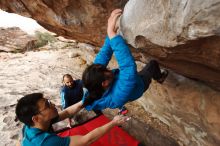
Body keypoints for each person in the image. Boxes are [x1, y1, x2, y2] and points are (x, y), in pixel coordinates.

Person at [82, 9, 168, 111]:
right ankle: (159, 78)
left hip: (130, 83)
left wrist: (111, 33)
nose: (108, 69)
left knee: (139, 73)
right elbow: (128, 68)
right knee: (153, 64)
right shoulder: (116, 97)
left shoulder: (94, 85)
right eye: (107, 70)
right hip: (140, 85)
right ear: (104, 83)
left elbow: (104, 55)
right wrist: (112, 35)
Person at [15, 93, 129, 146]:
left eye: (49, 101)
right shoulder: (47, 142)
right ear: (36, 118)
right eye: (47, 105)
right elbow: (87, 140)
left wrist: (84, 101)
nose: (53, 104)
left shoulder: (30, 126)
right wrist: (114, 122)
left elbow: (67, 112)